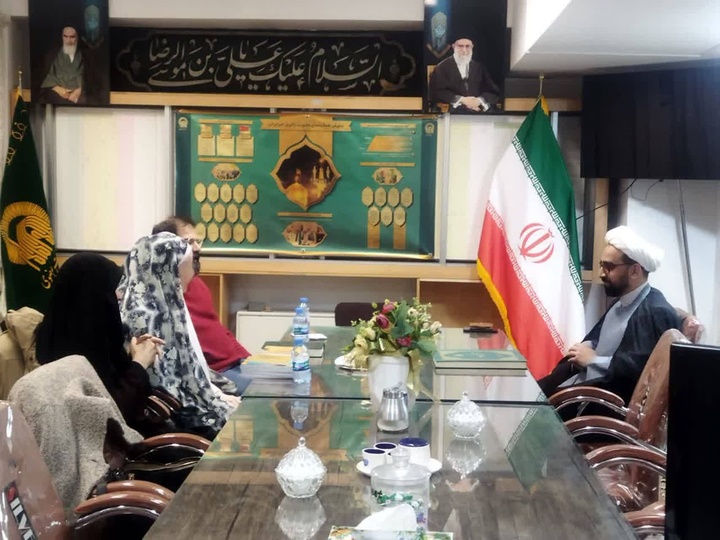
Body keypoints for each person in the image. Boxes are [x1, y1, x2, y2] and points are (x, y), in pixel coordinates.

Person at [538, 226, 682, 404]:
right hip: (588, 390)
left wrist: (593, 360)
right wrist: (584, 348)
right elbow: (601, 339)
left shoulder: (655, 312)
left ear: (635, 271)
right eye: (601, 265)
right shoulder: (621, 301)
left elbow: (636, 374)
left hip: (606, 405)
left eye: (608, 267)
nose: (601, 274)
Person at [119, 233, 238, 438]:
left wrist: (216, 394)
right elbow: (164, 384)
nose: (190, 273)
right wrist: (213, 403)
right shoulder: (143, 315)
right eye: (185, 266)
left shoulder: (165, 301)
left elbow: (190, 364)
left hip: (181, 404)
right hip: (169, 419)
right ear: (167, 268)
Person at [34, 253, 166, 437]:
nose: (120, 296)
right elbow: (109, 417)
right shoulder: (73, 356)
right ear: (93, 295)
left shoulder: (71, 333)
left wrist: (130, 357)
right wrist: (139, 365)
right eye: (114, 289)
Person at [151, 217, 251, 392]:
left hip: (237, 364)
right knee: (279, 393)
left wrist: (248, 358)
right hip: (216, 374)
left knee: (290, 380)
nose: (197, 247)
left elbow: (219, 329)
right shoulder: (162, 292)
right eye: (189, 242)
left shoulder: (196, 282)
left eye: (197, 241)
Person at [429, 37, 500, 113]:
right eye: (460, 46)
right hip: (454, 110)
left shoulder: (479, 67)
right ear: (453, 47)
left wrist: (479, 100)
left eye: (467, 46)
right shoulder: (441, 67)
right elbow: (437, 92)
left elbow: (492, 91)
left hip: (479, 109)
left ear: (472, 47)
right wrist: (463, 100)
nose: (464, 50)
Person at [40, 26, 84, 105]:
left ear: (77, 38)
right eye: (65, 36)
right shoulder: (53, 55)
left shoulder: (85, 56)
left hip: (80, 95)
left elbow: (91, 79)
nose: (68, 40)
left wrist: (79, 91)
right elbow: (47, 76)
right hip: (56, 94)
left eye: (72, 37)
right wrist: (57, 89)